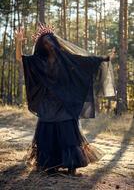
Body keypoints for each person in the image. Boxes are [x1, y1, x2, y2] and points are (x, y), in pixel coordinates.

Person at [15, 24, 115, 176]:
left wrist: (104, 58)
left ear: (56, 42)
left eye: (51, 41)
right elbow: (20, 58)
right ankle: (50, 167)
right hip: (47, 105)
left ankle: (71, 167)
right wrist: (19, 42)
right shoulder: (39, 61)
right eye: (45, 42)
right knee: (48, 135)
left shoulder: (66, 59)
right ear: (41, 45)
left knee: (68, 135)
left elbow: (85, 61)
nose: (49, 44)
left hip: (65, 104)